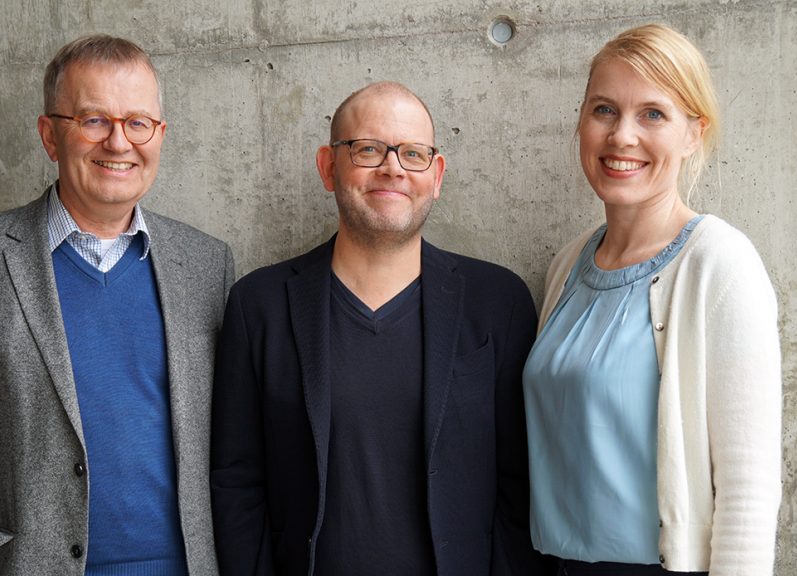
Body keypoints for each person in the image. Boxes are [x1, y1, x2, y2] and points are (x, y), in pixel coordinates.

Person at [0, 34, 232, 575]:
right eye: (94, 120)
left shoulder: (207, 265)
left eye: (138, 123)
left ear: (160, 135)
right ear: (50, 136)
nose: (119, 143)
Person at [210, 81, 548, 576]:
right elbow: (237, 482)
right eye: (368, 149)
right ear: (329, 167)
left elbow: (522, 483)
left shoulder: (498, 303)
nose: (392, 167)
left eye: (413, 153)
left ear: (436, 175)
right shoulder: (258, 305)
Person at [523, 24, 782, 576]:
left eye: (653, 114)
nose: (622, 136)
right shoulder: (568, 265)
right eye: (604, 110)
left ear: (694, 134)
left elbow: (749, 483)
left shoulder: (719, 264)